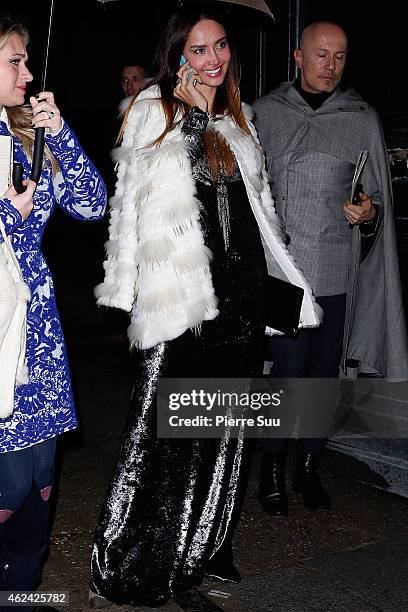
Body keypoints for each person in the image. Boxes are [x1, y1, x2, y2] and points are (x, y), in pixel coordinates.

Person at [89, 3, 321, 608]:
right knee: (164, 436)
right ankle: (140, 560)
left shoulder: (241, 122)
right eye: (198, 49)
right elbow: (131, 203)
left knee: (221, 436)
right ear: (177, 56)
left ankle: (202, 550)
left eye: (220, 47)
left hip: (240, 299)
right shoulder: (151, 111)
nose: (213, 59)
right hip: (182, 300)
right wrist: (191, 119)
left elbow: (258, 216)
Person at [254, 21, 408, 517]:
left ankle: (308, 466)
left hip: (336, 269)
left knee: (323, 374)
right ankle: (273, 466)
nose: (331, 67)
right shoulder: (264, 114)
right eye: (322, 56)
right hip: (283, 272)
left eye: (340, 57)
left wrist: (370, 213)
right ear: (298, 57)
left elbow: (378, 196)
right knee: (287, 373)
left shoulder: (361, 118)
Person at [0, 10, 107, 610]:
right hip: (0, 333)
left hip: (37, 327)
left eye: (26, 59)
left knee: (40, 477)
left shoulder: (28, 136)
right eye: (14, 60)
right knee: (9, 481)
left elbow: (93, 205)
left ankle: (21, 590)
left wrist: (59, 133)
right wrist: (12, 218)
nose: (28, 71)